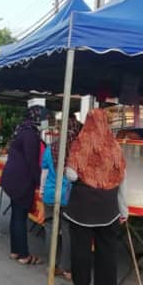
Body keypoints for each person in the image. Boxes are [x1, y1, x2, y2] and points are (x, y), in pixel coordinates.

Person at [63, 108, 127, 285]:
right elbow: (122, 179)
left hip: (83, 206)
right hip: (108, 207)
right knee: (107, 253)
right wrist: (124, 210)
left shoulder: (80, 144)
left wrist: (80, 171)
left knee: (81, 252)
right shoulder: (114, 147)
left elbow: (71, 175)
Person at [0, 106, 44, 265]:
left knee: (16, 216)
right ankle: (24, 255)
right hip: (21, 179)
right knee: (20, 217)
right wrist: (40, 182)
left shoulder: (21, 129)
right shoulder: (31, 134)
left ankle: (15, 251)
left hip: (12, 177)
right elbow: (32, 162)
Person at [43, 115, 82, 275]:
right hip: (69, 197)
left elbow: (44, 173)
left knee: (50, 229)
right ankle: (66, 268)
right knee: (67, 232)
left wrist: (43, 191)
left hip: (50, 195)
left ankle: (51, 265)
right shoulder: (78, 152)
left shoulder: (50, 148)